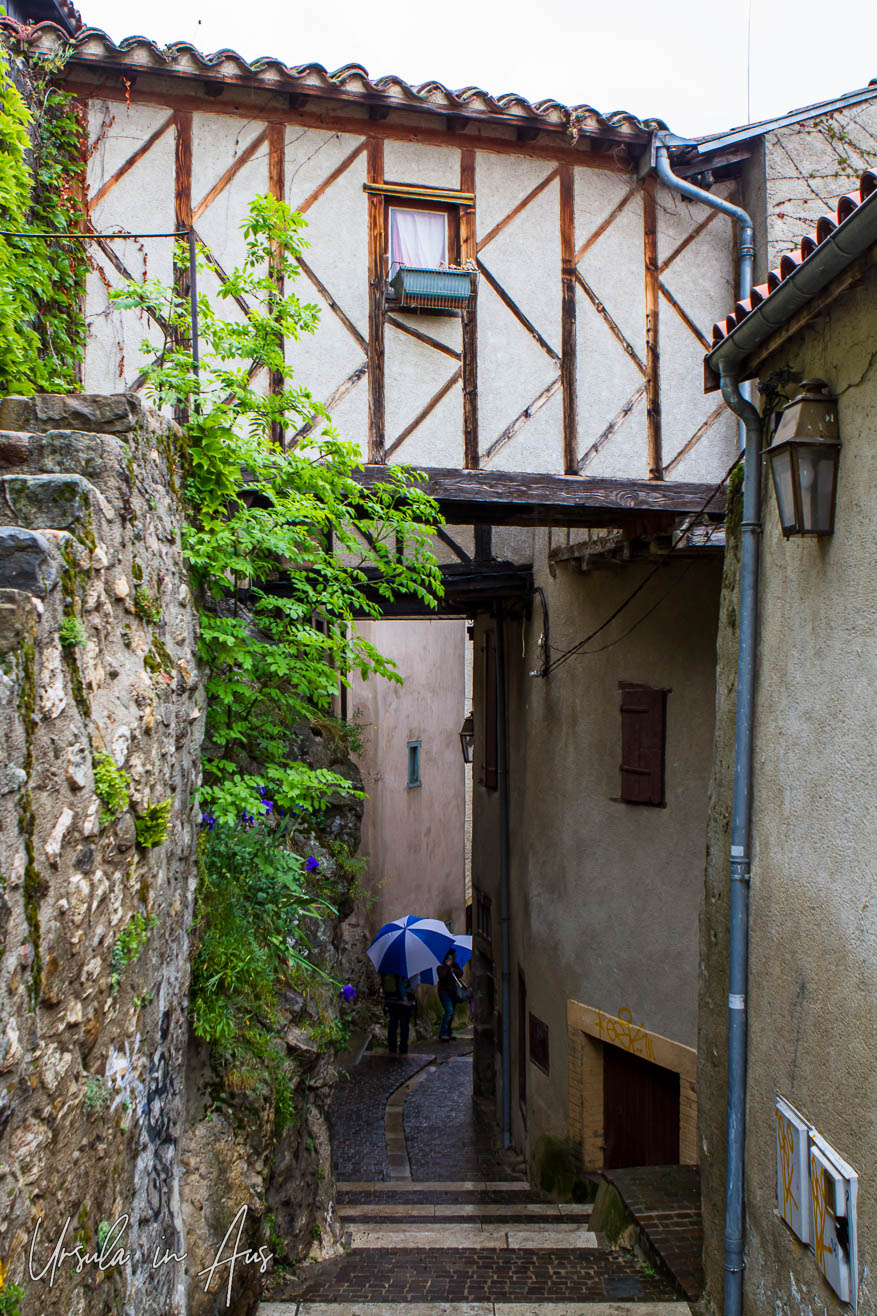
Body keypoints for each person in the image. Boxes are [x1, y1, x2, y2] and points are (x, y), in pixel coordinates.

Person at [382, 972, 416, 1056]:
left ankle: (392, 1048)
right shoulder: (407, 971)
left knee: (392, 1025)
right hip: (404, 1003)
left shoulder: (390, 970)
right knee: (404, 1026)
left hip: (391, 1001)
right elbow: (412, 987)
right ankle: (403, 1048)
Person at [436, 949, 463, 1042]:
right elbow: (442, 976)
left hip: (453, 993)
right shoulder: (440, 966)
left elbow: (460, 973)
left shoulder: (454, 965)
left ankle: (448, 1032)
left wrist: (453, 969)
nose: (454, 958)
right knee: (449, 1011)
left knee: (452, 1013)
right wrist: (447, 966)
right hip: (444, 992)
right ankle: (442, 1033)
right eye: (453, 956)